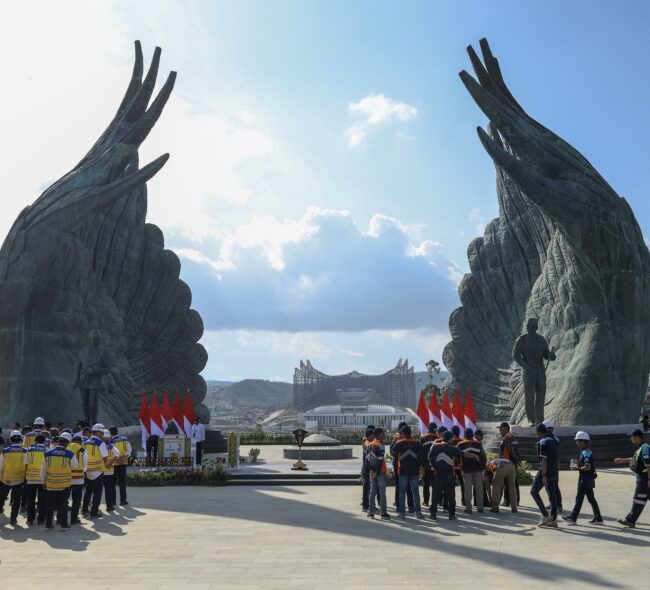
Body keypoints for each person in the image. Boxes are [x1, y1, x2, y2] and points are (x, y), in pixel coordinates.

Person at [429, 431, 475, 520]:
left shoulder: (435, 446)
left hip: (438, 474)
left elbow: (430, 457)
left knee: (435, 494)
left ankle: (433, 514)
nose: (452, 440)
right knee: (451, 496)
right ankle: (452, 515)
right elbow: (464, 454)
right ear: (449, 439)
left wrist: (435, 466)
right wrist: (474, 456)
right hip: (449, 475)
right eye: (452, 439)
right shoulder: (452, 448)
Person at [41, 431, 78, 531]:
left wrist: (43, 481)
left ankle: (48, 526)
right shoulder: (70, 454)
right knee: (63, 505)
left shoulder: (47, 453)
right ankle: (64, 526)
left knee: (49, 506)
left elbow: (43, 469)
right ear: (67, 443)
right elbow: (75, 465)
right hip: (64, 484)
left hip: (50, 484)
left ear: (59, 441)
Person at [563, 431, 602, 525]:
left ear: (583, 441)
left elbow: (587, 467)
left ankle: (573, 518)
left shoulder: (586, 453)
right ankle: (598, 518)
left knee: (579, 498)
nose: (576, 442)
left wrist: (577, 468)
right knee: (591, 499)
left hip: (585, 478)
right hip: (587, 478)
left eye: (577, 441)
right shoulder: (585, 451)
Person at [614, 429, 650, 528]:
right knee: (640, 499)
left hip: (644, 479)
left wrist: (649, 479)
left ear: (637, 437)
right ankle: (631, 520)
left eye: (631, 436)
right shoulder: (640, 448)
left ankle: (630, 520)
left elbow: (648, 464)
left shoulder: (645, 448)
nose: (630, 438)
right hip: (644, 478)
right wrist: (623, 460)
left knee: (638, 499)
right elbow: (635, 458)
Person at [392, 426, 424, 519]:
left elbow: (393, 452)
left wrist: (397, 440)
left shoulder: (399, 443)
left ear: (403, 434)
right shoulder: (417, 443)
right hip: (414, 471)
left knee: (402, 492)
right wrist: (420, 467)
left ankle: (402, 514)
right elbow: (421, 457)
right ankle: (418, 513)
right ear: (411, 433)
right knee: (416, 492)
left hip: (403, 471)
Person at [530, 423, 559, 527]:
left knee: (534, 491)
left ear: (539, 432)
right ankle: (553, 520)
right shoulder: (553, 440)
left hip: (545, 471)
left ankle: (545, 515)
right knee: (552, 495)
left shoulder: (542, 442)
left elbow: (544, 460)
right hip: (554, 470)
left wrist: (544, 475)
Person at [82, 423, 109, 518]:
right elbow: (105, 458)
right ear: (97, 432)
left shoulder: (85, 443)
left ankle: (84, 509)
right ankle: (94, 511)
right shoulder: (101, 443)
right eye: (101, 433)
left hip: (88, 471)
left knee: (88, 492)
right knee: (97, 493)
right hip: (98, 471)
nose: (102, 435)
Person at [0, 430, 27, 524]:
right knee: (16, 500)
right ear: (20, 439)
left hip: (5, 479)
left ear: (11, 439)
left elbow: (1, 465)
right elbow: (26, 465)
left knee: (1, 497)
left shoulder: (5, 451)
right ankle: (13, 519)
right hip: (19, 480)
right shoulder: (25, 451)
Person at [458, 428, 486, 513]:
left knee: (468, 490)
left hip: (466, 470)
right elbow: (483, 456)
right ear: (472, 435)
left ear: (465, 435)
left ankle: (468, 508)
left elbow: (457, 456)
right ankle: (480, 507)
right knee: (479, 490)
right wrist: (483, 467)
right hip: (477, 470)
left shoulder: (460, 444)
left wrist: (459, 466)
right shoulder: (478, 444)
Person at [366, 428, 390, 520]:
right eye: (383, 434)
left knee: (372, 492)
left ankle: (371, 512)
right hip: (380, 472)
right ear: (379, 435)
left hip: (372, 472)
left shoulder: (370, 444)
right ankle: (383, 513)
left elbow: (368, 459)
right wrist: (376, 472)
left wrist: (371, 471)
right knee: (382, 493)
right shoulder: (380, 445)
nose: (384, 435)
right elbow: (380, 459)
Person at [24, 433, 47, 525]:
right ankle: (41, 519)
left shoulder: (29, 450)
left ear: (35, 441)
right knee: (42, 500)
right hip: (42, 479)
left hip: (30, 479)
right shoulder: (48, 450)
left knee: (30, 500)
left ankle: (30, 519)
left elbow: (25, 463)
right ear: (45, 441)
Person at [391, 422, 414, 513]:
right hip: (401, 466)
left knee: (401, 487)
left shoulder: (402, 439)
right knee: (406, 487)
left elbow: (392, 451)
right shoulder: (397, 438)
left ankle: (404, 505)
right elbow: (393, 452)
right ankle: (408, 505)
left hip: (399, 466)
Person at [497, 422, 520, 507]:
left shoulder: (506, 438)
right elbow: (516, 451)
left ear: (507, 428)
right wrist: (516, 460)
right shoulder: (513, 437)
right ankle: (516, 500)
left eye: (501, 428)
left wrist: (503, 461)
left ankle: (507, 501)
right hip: (513, 463)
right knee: (513, 482)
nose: (499, 430)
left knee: (507, 482)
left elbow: (511, 451)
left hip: (507, 463)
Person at [542, 419, 563, 511]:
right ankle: (557, 504)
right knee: (555, 485)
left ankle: (555, 505)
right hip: (555, 465)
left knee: (549, 486)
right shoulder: (556, 439)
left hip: (549, 465)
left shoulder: (546, 440)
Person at [68, 432, 88, 524]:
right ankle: (74, 518)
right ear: (80, 442)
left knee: (64, 499)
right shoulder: (83, 450)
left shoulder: (66, 448)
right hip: (79, 479)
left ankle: (60, 519)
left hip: (66, 478)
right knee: (76, 500)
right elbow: (85, 464)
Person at [110, 426, 131, 506]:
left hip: (114, 465)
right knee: (122, 483)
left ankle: (113, 502)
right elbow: (129, 451)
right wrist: (123, 459)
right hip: (123, 464)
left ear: (110, 433)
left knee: (113, 483)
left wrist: (117, 460)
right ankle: (123, 501)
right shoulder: (125, 440)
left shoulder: (110, 441)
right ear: (117, 432)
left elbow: (110, 453)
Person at [420, 423, 438, 506]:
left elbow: (419, 452)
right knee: (435, 485)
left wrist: (421, 466)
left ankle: (426, 501)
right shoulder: (439, 438)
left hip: (425, 465)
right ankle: (436, 502)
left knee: (426, 484)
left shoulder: (423, 438)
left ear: (428, 428)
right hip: (436, 466)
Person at [103, 430, 119, 511]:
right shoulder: (111, 446)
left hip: (100, 471)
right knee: (109, 489)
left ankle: (94, 508)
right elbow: (117, 454)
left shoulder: (99, 446)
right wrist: (111, 462)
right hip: (109, 471)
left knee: (97, 491)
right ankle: (109, 506)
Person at [361, 427, 375, 512]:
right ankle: (367, 506)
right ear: (369, 436)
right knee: (368, 489)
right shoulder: (368, 444)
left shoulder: (366, 443)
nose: (374, 437)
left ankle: (366, 505)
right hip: (367, 469)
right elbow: (371, 458)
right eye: (373, 435)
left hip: (365, 469)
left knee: (366, 488)